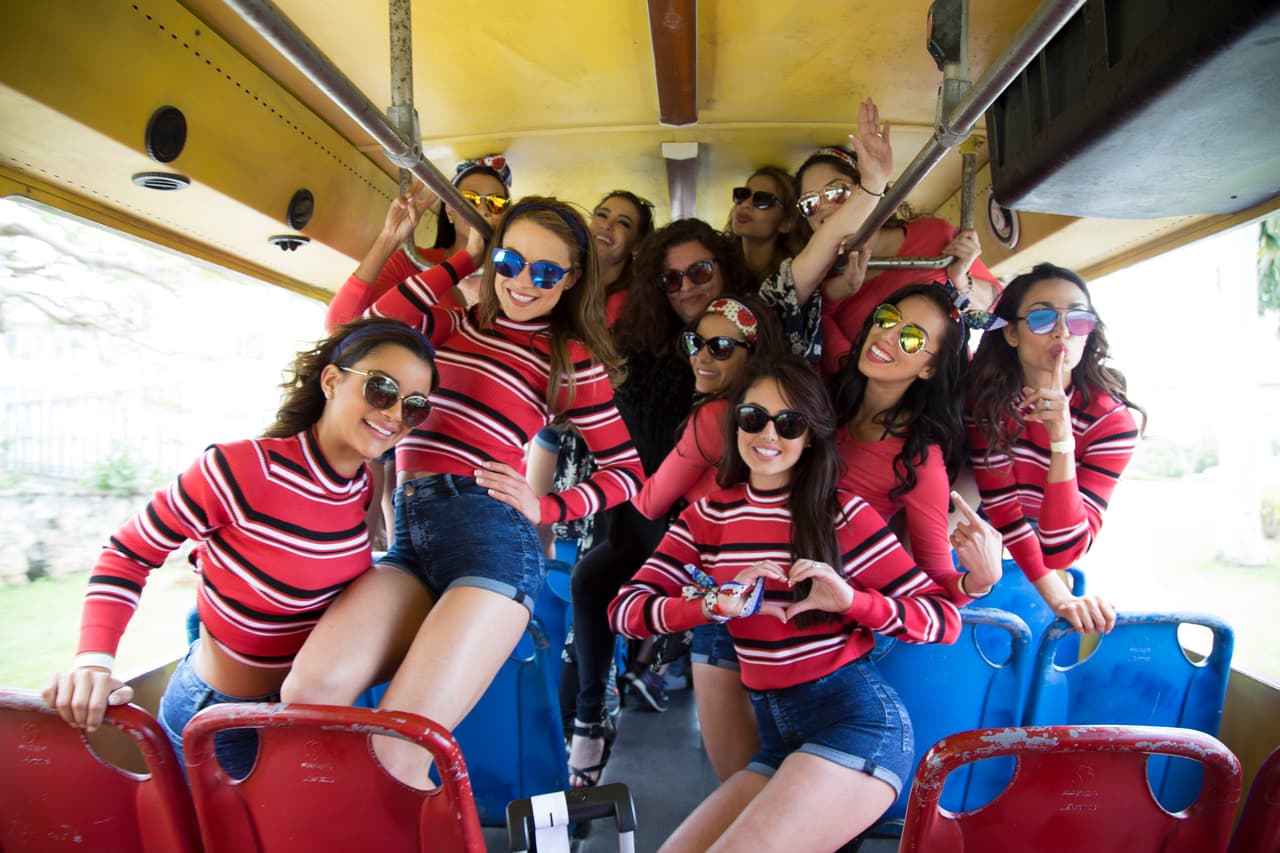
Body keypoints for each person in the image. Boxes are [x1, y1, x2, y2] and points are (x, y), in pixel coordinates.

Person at [281, 197, 644, 787]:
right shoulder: (453, 321)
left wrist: (545, 506)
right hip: (411, 540)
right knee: (307, 694)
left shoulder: (569, 359)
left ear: (572, 278)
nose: (522, 282)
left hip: (491, 543)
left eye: (546, 272)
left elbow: (627, 473)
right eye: (510, 262)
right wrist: (463, 259)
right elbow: (358, 328)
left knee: (398, 749)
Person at [42, 319, 438, 776]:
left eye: (414, 406)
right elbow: (128, 554)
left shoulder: (362, 487)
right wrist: (93, 663)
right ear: (331, 380)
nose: (394, 414)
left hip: (295, 715)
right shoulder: (239, 469)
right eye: (382, 389)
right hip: (219, 719)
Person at [610, 356, 962, 851]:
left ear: (811, 434)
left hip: (856, 723)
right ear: (736, 423)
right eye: (753, 417)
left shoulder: (841, 515)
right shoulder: (705, 517)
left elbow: (943, 620)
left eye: (789, 423)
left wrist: (852, 601)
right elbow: (625, 611)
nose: (768, 434)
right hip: (777, 739)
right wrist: (713, 604)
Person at [564, 218, 753, 787]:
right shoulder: (640, 346)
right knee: (589, 581)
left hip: (693, 520)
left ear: (723, 269)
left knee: (601, 580)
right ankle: (591, 719)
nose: (686, 287)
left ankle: (607, 706)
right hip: (635, 505)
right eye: (670, 279)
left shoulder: (737, 354)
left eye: (699, 272)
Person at [629, 295, 786, 781]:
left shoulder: (713, 419)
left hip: (727, 603)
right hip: (788, 605)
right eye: (695, 342)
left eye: (720, 347)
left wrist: (619, 461)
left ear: (753, 357)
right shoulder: (787, 424)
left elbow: (649, 502)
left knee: (742, 780)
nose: (701, 356)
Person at [966, 262, 1144, 634]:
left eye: (1078, 319)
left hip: (1052, 522)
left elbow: (1064, 550)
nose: (1063, 331)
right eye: (1042, 318)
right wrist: (1058, 597)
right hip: (985, 510)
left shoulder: (1111, 423)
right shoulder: (988, 402)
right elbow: (1004, 511)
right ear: (1012, 333)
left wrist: (1061, 438)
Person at [830, 282, 1003, 601]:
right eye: (887, 318)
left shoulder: (919, 460)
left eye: (911, 339)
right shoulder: (835, 383)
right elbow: (819, 315)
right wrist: (843, 285)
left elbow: (938, 582)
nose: (886, 335)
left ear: (929, 368)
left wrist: (980, 582)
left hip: (828, 602)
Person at [756, 98, 894, 359]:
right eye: (809, 203)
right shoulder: (784, 284)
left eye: (837, 191)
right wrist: (873, 184)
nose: (824, 207)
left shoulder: (931, 233)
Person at [326, 154, 513, 329]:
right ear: (450, 211)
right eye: (469, 199)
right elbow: (339, 326)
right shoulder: (412, 261)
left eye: (496, 202)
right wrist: (390, 236)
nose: (482, 209)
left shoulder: (513, 276)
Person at [725, 167, 798, 283]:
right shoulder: (718, 264)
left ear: (786, 223)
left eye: (762, 200)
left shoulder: (795, 275)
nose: (745, 204)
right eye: (743, 195)